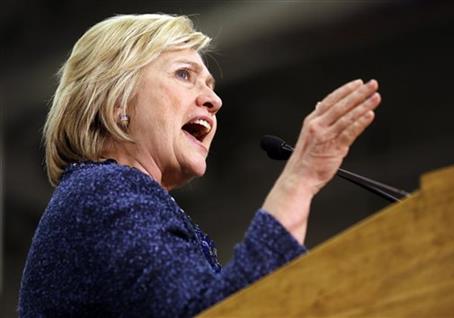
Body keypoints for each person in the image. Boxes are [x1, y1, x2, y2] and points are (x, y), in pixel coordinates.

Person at [18, 14, 381, 317]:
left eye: (209, 84)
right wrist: (300, 179)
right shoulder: (104, 192)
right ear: (117, 102)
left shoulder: (104, 195)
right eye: (183, 74)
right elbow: (219, 312)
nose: (214, 100)